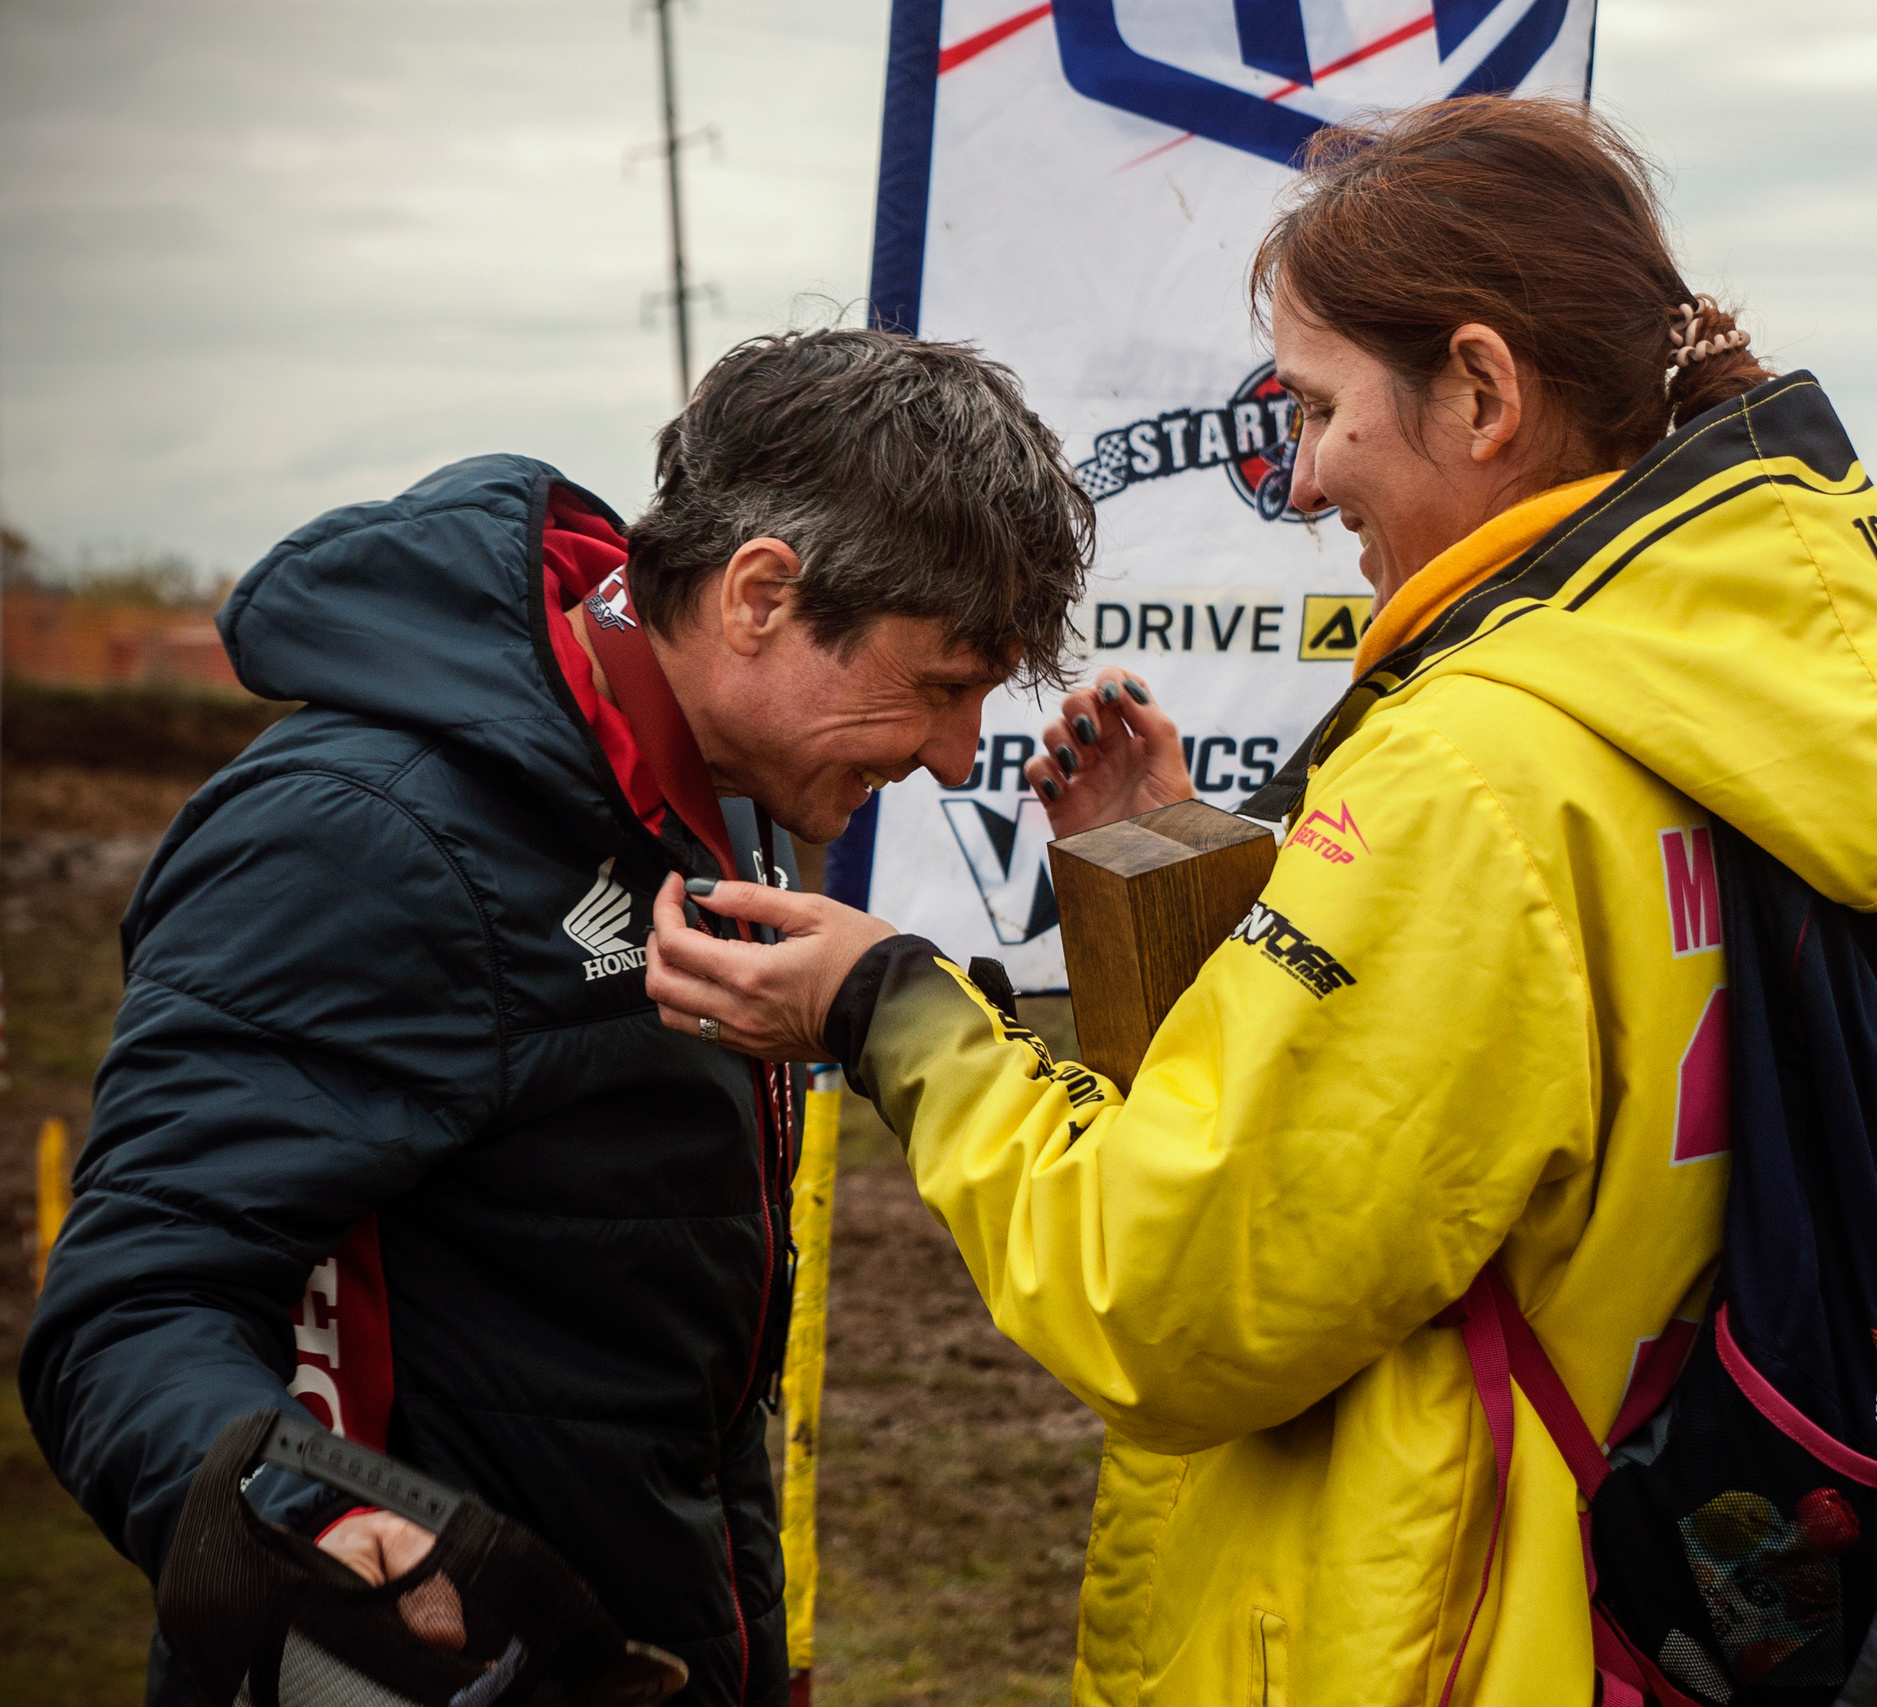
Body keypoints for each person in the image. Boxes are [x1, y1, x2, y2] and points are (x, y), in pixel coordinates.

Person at [645, 99, 1877, 1703]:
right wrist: (1194, 883)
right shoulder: (1722, 707)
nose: (1295, 480)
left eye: (1316, 405)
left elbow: (1171, 1285)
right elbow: (1474, 1124)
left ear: (1484, 391)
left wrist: (896, 1007)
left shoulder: (1482, 773)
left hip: (1446, 1624)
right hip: (1635, 1599)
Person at [20, 329, 1093, 1706]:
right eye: (942, 686)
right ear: (761, 593)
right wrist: (310, 1530)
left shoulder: (698, 796)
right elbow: (133, 1302)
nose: (955, 753)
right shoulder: (363, 831)